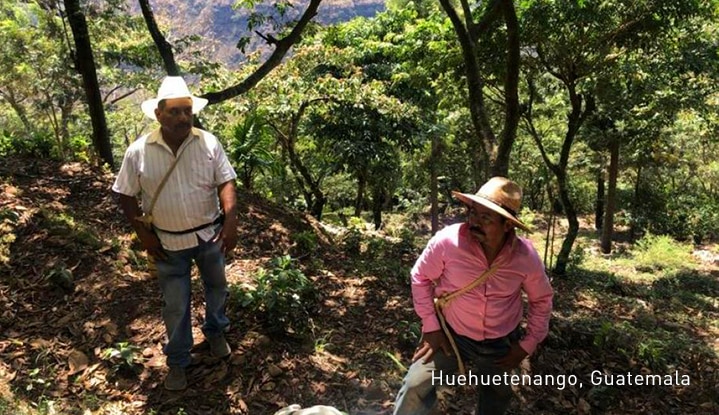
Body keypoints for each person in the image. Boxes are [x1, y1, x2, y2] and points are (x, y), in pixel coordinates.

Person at [112, 76, 238, 391]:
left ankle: (215, 331)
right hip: (167, 241)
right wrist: (144, 234)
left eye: (187, 111)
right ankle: (178, 361)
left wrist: (231, 220)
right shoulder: (139, 151)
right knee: (176, 304)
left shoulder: (208, 143)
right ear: (159, 114)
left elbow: (226, 181)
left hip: (208, 235)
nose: (183, 118)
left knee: (217, 288)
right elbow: (124, 193)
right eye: (175, 112)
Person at [393, 177, 553, 415]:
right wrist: (431, 326)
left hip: (501, 340)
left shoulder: (525, 256)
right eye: (473, 212)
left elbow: (541, 300)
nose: (474, 221)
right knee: (416, 385)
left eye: (485, 217)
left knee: (495, 398)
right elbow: (420, 277)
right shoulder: (448, 242)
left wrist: (527, 345)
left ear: (507, 225)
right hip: (451, 334)